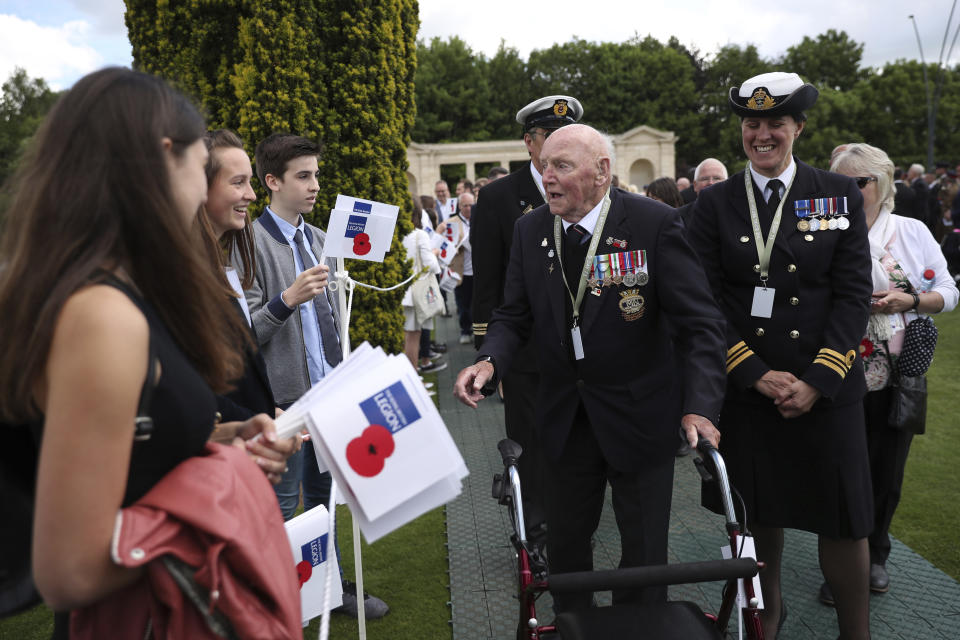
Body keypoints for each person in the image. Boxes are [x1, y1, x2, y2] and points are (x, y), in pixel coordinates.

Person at [0, 68, 299, 638]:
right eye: (201, 161)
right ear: (168, 156)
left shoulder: (112, 290)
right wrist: (227, 481)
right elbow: (68, 569)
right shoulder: (101, 313)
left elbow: (126, 460)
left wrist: (216, 441)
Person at [454, 124, 726, 612]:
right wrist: (489, 360)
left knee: (643, 557)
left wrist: (701, 406)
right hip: (563, 418)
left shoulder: (654, 224)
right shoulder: (530, 229)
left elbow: (701, 326)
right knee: (567, 551)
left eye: (561, 166)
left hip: (640, 418)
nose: (548, 178)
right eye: (544, 167)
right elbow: (512, 315)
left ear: (602, 171)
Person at [687, 72, 874, 640]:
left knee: (843, 520)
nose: (762, 135)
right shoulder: (714, 203)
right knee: (755, 515)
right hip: (750, 392)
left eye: (775, 124)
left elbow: (852, 293)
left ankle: (854, 631)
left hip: (829, 389)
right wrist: (755, 373)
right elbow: (704, 300)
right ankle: (765, 617)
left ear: (798, 128)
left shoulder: (836, 193)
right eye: (752, 124)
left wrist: (818, 379)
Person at [243, 132, 389, 618]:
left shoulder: (320, 238)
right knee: (282, 507)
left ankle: (329, 590)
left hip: (329, 395)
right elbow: (241, 335)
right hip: (283, 401)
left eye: (316, 175)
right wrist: (285, 300)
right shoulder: (251, 243)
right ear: (271, 181)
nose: (314, 186)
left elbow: (330, 322)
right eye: (303, 176)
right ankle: (280, 607)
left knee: (325, 499)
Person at [823, 144, 958, 602]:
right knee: (842, 468)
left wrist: (912, 301)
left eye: (858, 182)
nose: (849, 190)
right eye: (841, 181)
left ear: (882, 184)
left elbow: (948, 291)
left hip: (900, 372)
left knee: (887, 468)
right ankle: (844, 564)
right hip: (837, 367)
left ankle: (875, 556)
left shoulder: (912, 231)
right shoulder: (824, 231)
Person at [470, 94, 584, 546]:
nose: (557, 145)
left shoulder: (589, 189)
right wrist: (491, 358)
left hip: (582, 353)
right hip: (527, 353)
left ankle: (572, 523)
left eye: (565, 137)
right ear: (529, 144)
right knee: (531, 444)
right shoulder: (498, 198)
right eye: (547, 137)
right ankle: (533, 530)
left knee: (576, 444)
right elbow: (488, 285)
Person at [402, 195, 443, 373]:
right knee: (412, 337)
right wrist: (435, 253)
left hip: (401, 291)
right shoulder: (419, 235)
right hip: (414, 292)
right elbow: (430, 265)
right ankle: (414, 379)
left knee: (408, 337)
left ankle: (413, 377)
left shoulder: (395, 234)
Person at [437, 190, 475, 344]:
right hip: (461, 270)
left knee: (477, 304)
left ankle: (478, 330)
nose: (468, 208)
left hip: (479, 269)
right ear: (459, 206)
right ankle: (465, 330)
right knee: (463, 304)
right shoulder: (452, 222)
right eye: (465, 205)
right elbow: (444, 244)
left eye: (470, 205)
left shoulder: (480, 218)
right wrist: (457, 245)